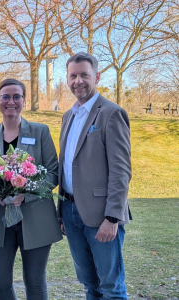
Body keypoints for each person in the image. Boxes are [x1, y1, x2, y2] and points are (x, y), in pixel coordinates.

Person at [0, 79, 62, 300]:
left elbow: (54, 173)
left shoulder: (40, 131)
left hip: (36, 216)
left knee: (34, 282)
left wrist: (27, 194)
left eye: (17, 96)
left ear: (24, 100)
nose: (11, 101)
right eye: (5, 96)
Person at [58, 52, 132, 299]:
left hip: (101, 215)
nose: (78, 81)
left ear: (97, 76)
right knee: (90, 284)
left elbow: (121, 171)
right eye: (73, 76)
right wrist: (61, 212)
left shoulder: (111, 113)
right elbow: (67, 165)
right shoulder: (68, 116)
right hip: (70, 211)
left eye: (84, 75)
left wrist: (112, 218)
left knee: (111, 287)